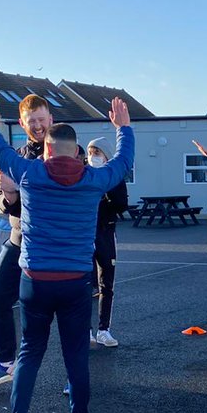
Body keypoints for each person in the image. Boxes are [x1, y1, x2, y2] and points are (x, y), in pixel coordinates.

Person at [0, 79, 134, 413]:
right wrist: (123, 128)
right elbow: (124, 161)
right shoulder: (95, 180)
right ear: (77, 151)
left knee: (30, 352)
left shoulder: (30, 173)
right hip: (75, 281)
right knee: (76, 354)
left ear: (46, 150)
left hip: (34, 279)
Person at [0, 93, 53, 389]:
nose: (37, 126)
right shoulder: (14, 157)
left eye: (41, 120)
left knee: (66, 309)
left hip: (53, 246)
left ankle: (75, 375)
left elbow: (55, 201)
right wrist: (7, 195)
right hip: (19, 240)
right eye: (31, 121)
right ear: (22, 123)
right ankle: (7, 363)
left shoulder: (66, 151)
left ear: (51, 120)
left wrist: (18, 193)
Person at [87, 136, 130, 346]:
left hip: (105, 233)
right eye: (91, 153)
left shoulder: (115, 177)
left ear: (106, 156)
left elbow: (122, 205)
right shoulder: (84, 175)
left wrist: (106, 191)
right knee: (84, 284)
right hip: (84, 235)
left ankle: (104, 329)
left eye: (97, 153)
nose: (93, 157)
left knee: (107, 284)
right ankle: (85, 330)